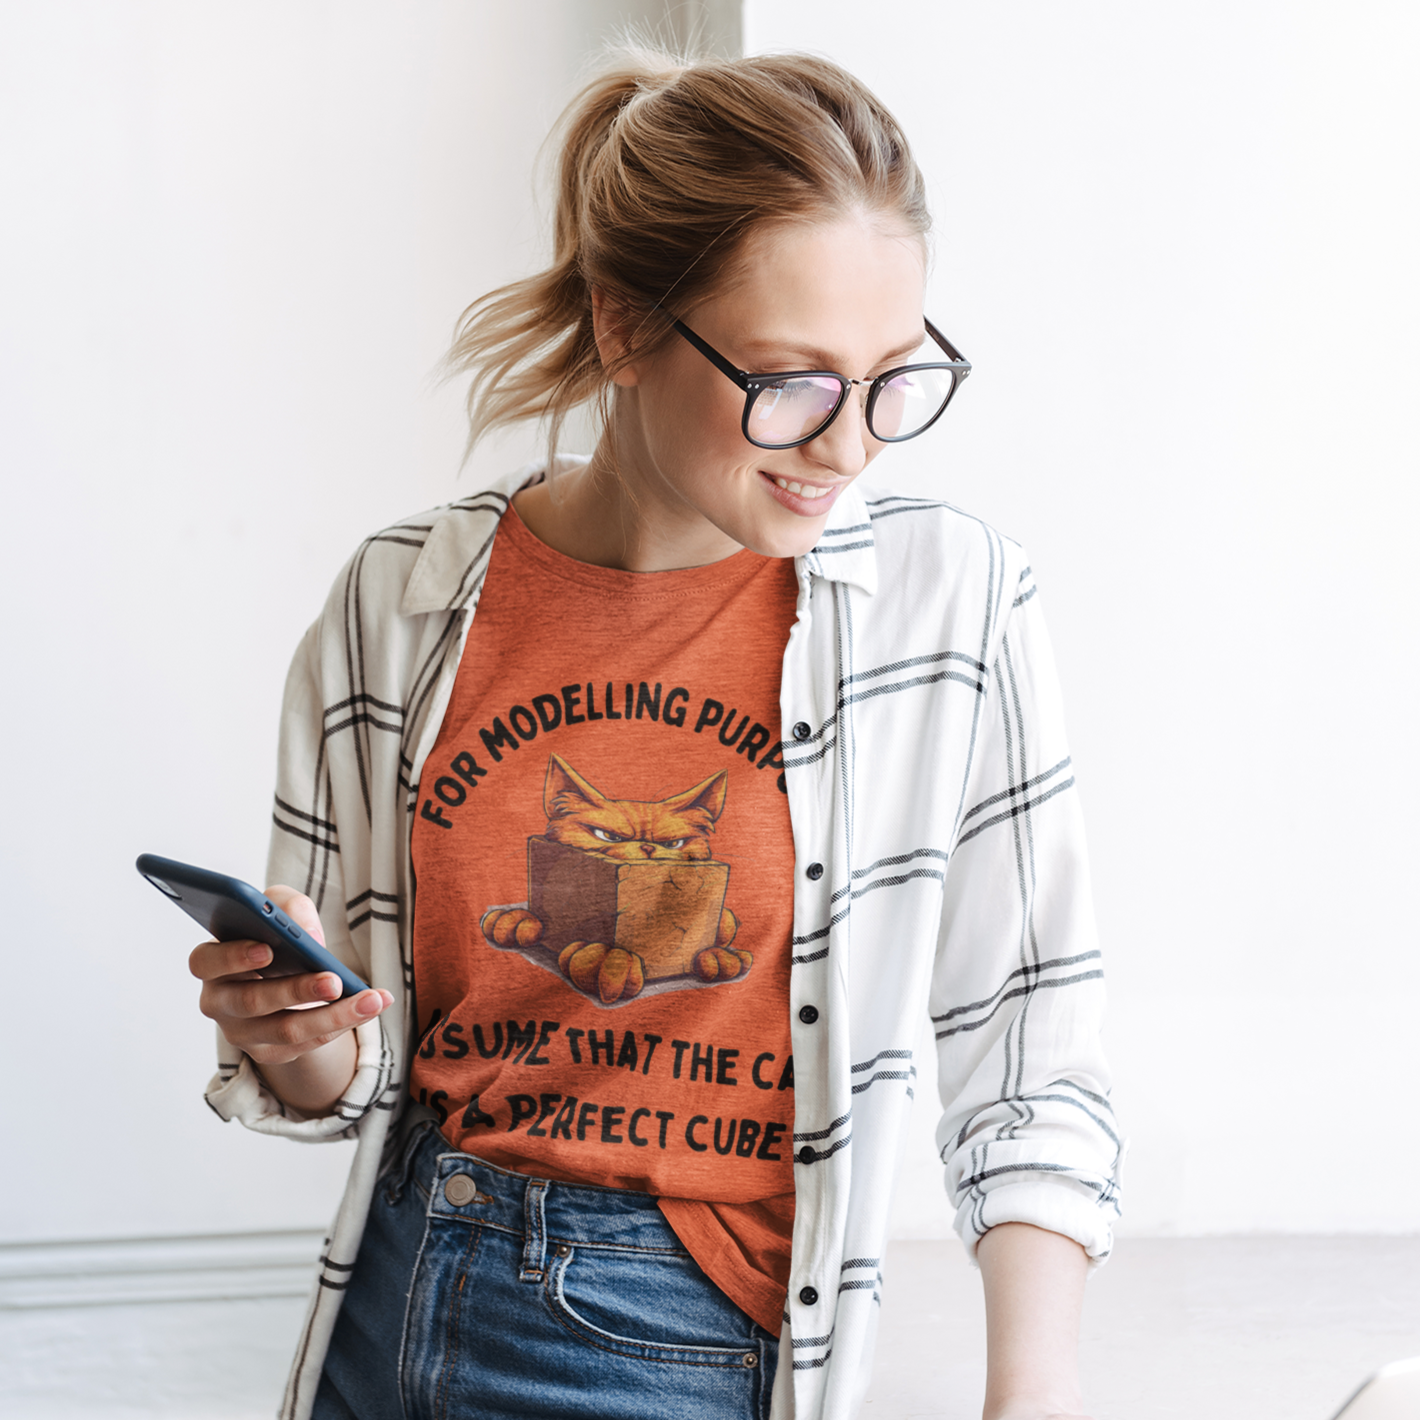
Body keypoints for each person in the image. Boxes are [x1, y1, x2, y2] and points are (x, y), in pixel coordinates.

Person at [190, 48, 1121, 1420]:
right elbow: (354, 1077)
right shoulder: (400, 600)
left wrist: (1028, 1399)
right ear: (625, 326)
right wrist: (292, 1032)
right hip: (392, 1297)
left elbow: (1032, 1052)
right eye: (794, 382)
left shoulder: (946, 607)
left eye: (892, 379)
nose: (852, 445)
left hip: (673, 1329)